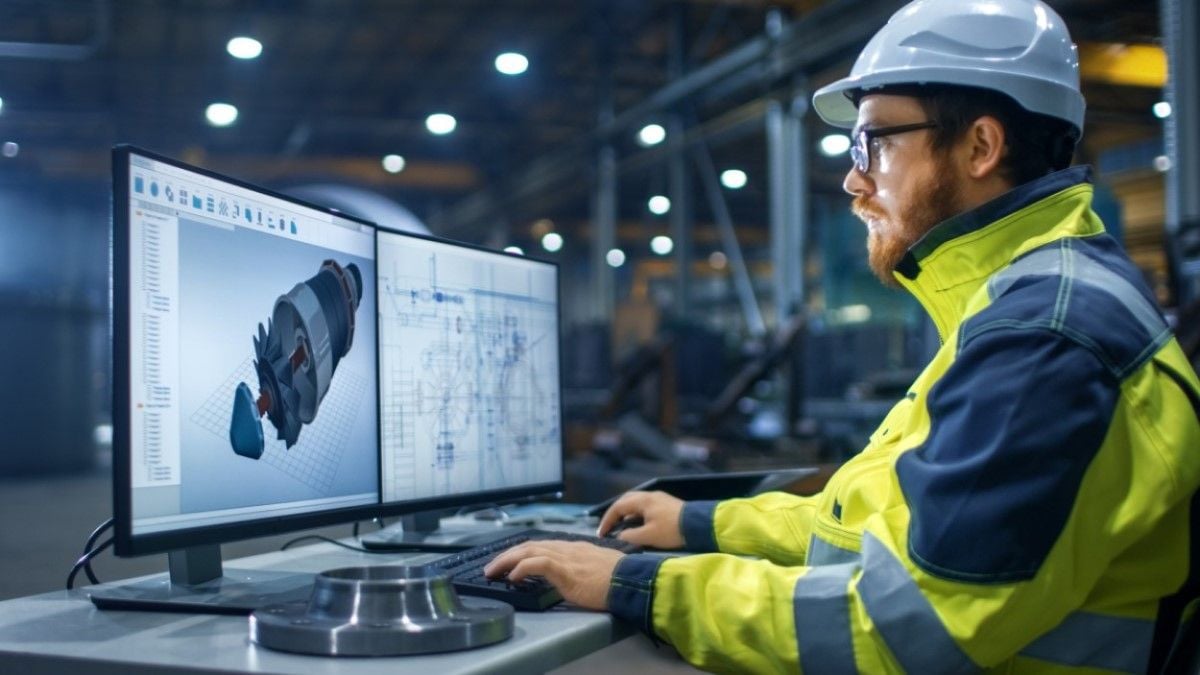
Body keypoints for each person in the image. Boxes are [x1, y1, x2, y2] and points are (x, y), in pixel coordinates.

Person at [485, 0, 1200, 671]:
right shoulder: (1018, 303)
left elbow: (902, 627)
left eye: (874, 142)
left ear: (981, 145)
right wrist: (703, 525)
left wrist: (639, 584)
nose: (855, 182)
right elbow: (869, 522)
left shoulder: (1045, 335)